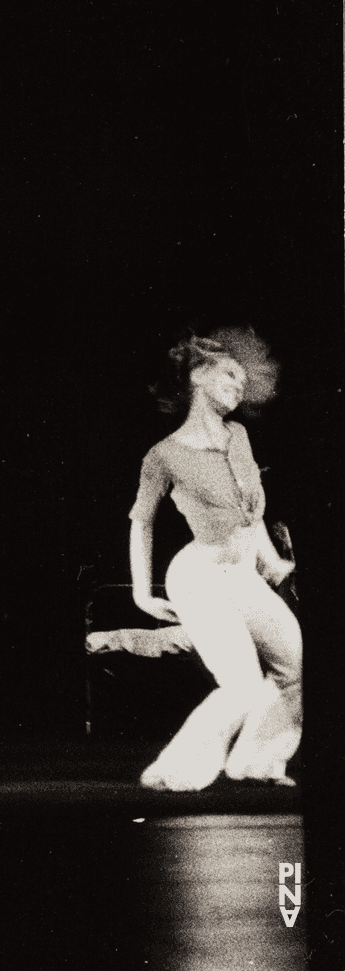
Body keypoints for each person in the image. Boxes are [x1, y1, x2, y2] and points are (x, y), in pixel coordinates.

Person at [127, 327, 301, 790]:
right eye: (229, 374)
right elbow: (141, 522)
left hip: (245, 576)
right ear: (199, 375)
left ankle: (256, 762)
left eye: (245, 382)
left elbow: (251, 513)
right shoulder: (163, 455)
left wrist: (272, 561)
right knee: (241, 685)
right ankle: (172, 771)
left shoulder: (239, 436)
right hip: (199, 578)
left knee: (295, 667)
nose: (239, 386)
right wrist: (143, 594)